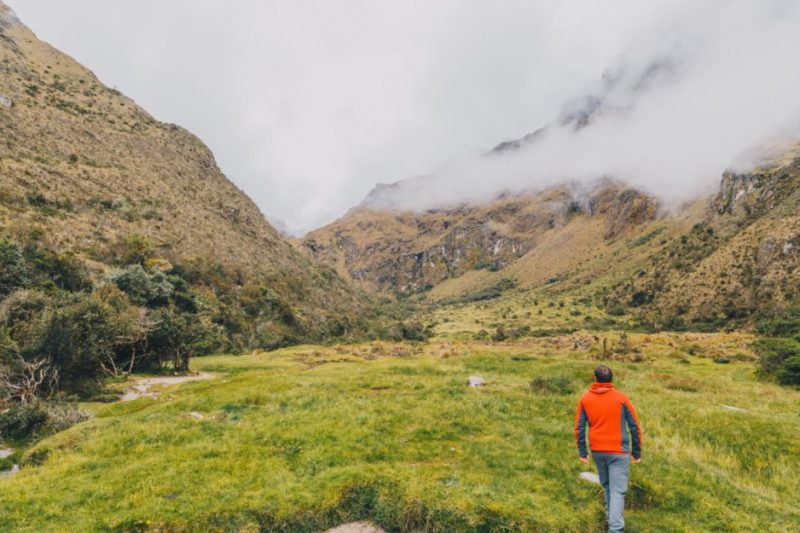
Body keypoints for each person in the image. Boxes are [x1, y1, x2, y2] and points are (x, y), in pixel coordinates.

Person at [574, 364, 642, 533]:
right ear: (611, 378)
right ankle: (616, 528)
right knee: (618, 490)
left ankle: (610, 516)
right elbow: (634, 426)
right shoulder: (621, 398)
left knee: (607, 485)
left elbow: (579, 428)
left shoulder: (585, 399)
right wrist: (636, 452)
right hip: (619, 451)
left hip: (598, 450)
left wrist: (583, 452)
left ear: (594, 377)